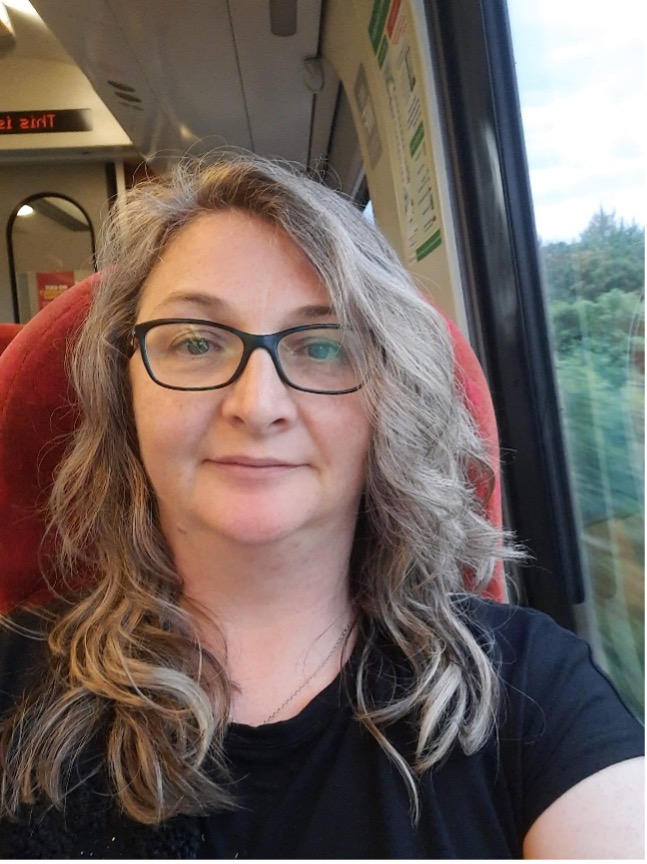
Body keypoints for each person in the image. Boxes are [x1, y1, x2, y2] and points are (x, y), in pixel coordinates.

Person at [0, 154, 643, 859]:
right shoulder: (9, 682)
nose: (257, 405)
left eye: (323, 346)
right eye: (195, 342)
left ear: (388, 403)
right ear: (124, 393)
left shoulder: (532, 687)